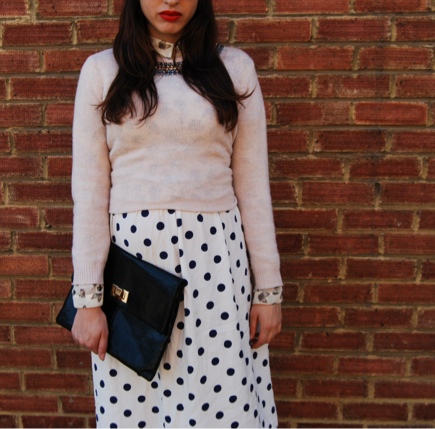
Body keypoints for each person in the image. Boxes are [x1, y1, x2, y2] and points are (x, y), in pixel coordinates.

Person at [69, 0, 283, 426]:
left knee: (221, 404)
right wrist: (87, 299)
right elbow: (90, 195)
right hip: (134, 275)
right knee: (138, 407)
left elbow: (253, 188)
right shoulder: (102, 72)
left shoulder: (234, 69)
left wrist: (268, 290)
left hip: (216, 270)